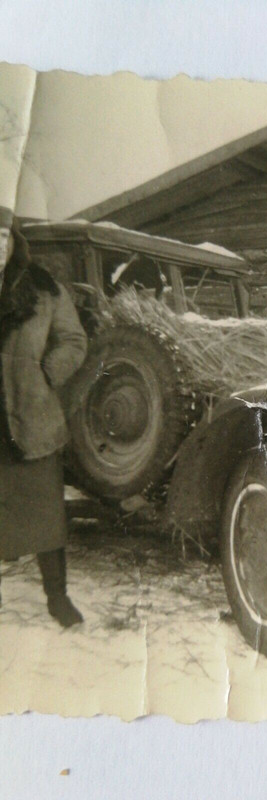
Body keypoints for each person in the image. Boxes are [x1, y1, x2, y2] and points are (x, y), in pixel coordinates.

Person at [0, 218, 88, 627]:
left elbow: (74, 340)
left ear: (13, 242)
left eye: (2, 237)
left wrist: (45, 374)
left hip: (30, 415)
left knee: (45, 514)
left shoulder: (43, 289)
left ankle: (57, 598)